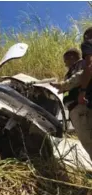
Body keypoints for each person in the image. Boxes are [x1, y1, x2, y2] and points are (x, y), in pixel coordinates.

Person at [51, 27, 92, 160]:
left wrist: (64, 85)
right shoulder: (71, 71)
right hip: (76, 110)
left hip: (81, 108)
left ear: (73, 56)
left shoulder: (80, 64)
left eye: (66, 58)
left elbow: (85, 73)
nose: (64, 62)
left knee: (88, 141)